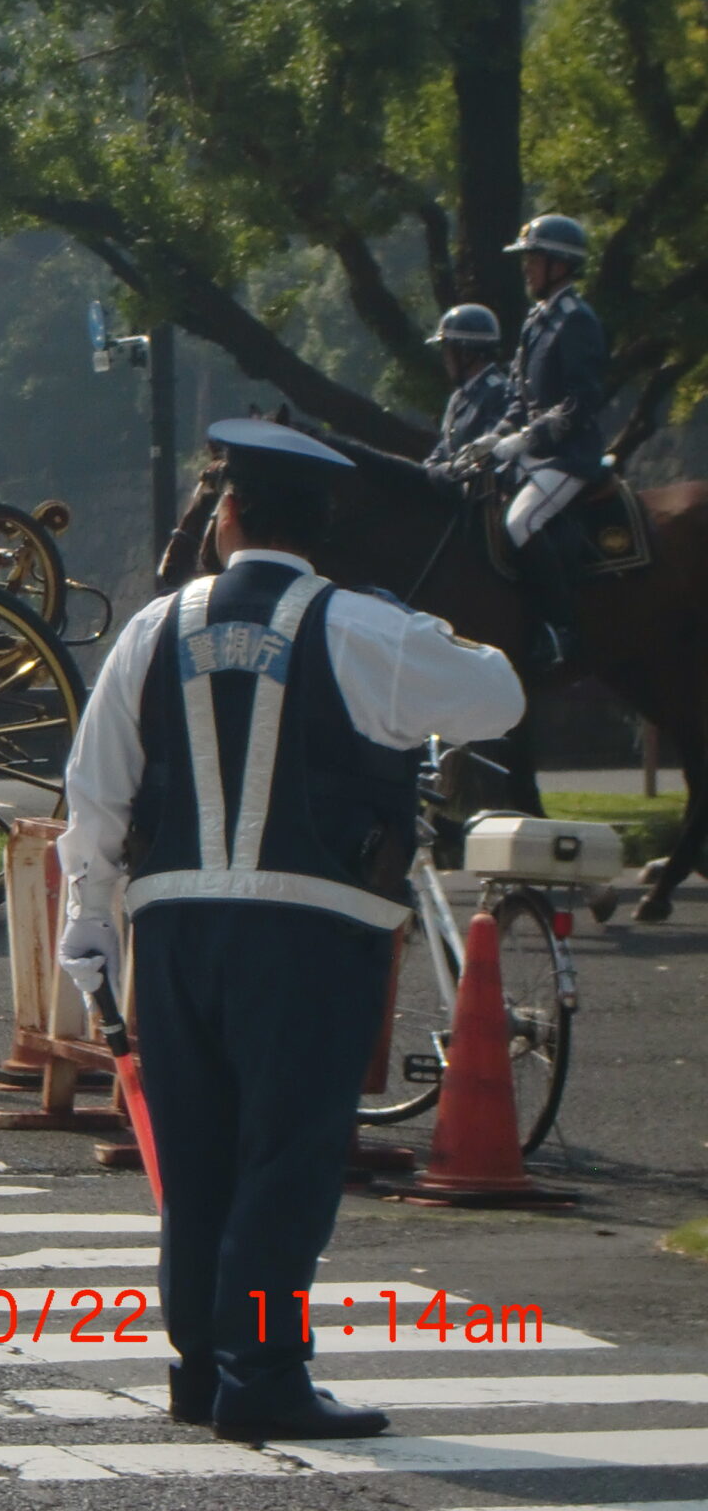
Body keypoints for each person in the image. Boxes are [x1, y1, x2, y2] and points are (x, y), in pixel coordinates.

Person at [54, 419, 523, 1444]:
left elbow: (93, 795)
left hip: (174, 930)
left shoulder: (151, 628)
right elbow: (499, 695)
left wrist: (88, 922)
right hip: (312, 934)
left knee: (195, 1157)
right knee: (287, 1161)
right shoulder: (365, 628)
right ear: (324, 530)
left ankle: (199, 1368)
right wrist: (411, 629)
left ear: (226, 516)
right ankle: (261, 1371)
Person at [474, 215, 609, 671]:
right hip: (532, 452)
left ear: (560, 265)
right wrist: (498, 434)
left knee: (520, 522)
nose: (527, 267)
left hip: (567, 456)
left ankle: (560, 629)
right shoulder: (536, 320)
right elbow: (518, 395)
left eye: (533, 258)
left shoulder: (577, 321)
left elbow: (582, 400)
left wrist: (531, 436)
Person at [420, 303, 511, 492]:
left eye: (447, 349)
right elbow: (444, 448)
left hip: (486, 495)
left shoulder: (499, 391)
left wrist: (450, 470)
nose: (444, 358)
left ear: (467, 353)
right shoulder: (459, 397)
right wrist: (430, 469)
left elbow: (488, 451)